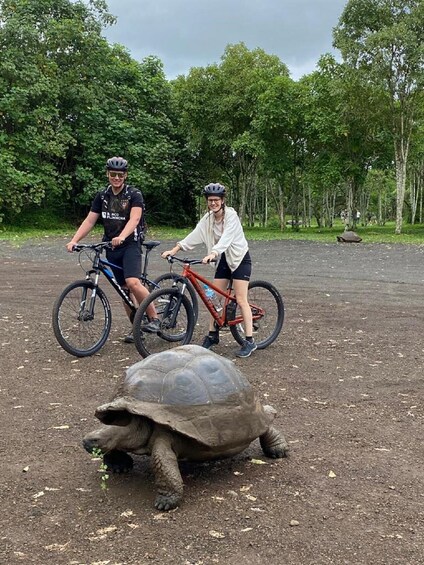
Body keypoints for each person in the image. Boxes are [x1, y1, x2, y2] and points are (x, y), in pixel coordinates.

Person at [66, 156, 160, 340]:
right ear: (107, 174)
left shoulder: (134, 194)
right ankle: (136, 328)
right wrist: (74, 240)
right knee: (123, 289)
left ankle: (154, 318)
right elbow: (90, 220)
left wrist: (123, 236)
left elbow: (134, 219)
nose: (117, 178)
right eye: (113, 174)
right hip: (111, 246)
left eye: (120, 174)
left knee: (133, 282)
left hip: (130, 244)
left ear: (125, 175)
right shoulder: (102, 196)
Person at [161, 182, 256, 358]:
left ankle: (249, 341)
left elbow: (226, 238)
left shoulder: (232, 216)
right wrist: (174, 250)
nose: (213, 203)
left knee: (241, 299)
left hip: (239, 259)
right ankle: (212, 335)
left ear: (222, 201)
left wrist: (213, 252)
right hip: (224, 260)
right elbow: (194, 235)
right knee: (213, 298)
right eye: (210, 200)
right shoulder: (208, 219)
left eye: (216, 200)